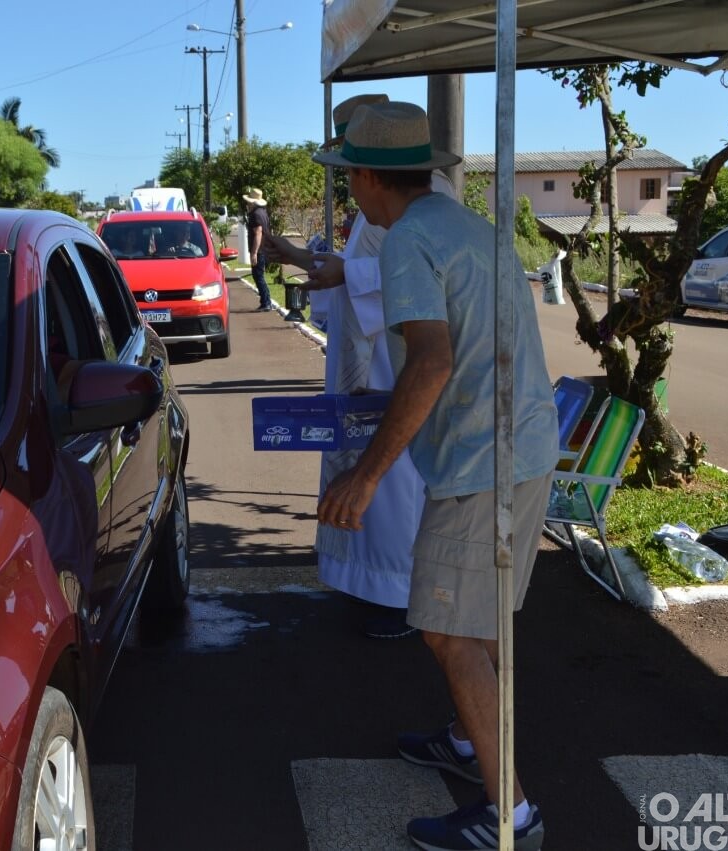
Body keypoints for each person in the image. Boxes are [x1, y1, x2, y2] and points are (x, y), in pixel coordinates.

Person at [313, 101, 558, 851]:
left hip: (480, 464)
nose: (347, 187)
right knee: (479, 627)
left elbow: (432, 360)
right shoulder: (465, 226)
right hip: (524, 448)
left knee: (448, 632)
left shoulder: (407, 240)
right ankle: (466, 739)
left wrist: (365, 475)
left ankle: (511, 815)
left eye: (346, 173)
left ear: (364, 176)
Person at [265, 93, 440, 641]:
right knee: (373, 480)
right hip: (374, 355)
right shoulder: (384, 209)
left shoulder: (427, 211)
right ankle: (373, 587)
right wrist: (304, 261)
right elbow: (363, 268)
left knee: (395, 485)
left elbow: (410, 278)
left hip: (397, 366)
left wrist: (350, 277)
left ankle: (399, 596)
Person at [243, 187, 273, 311]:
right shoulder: (263, 212)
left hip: (259, 250)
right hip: (264, 248)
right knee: (258, 275)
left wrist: (254, 252)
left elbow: (258, 233)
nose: (248, 204)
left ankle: (266, 302)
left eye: (249, 202)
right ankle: (265, 301)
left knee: (258, 275)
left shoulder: (255, 214)